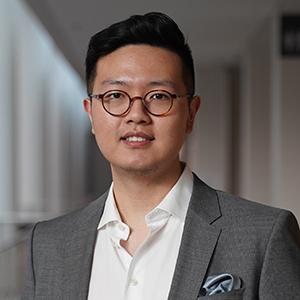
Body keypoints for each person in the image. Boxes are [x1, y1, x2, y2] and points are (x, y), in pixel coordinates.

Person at [22, 12, 300, 300]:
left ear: (191, 114)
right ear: (91, 114)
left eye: (158, 96)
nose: (136, 115)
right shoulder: (47, 245)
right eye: (115, 95)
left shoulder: (263, 236)